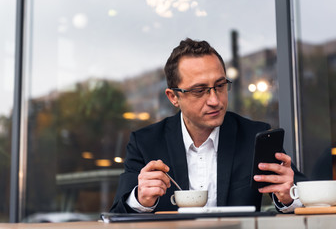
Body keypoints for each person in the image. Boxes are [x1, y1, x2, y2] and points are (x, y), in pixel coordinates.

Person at [110, 38, 306, 213]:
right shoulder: (145, 143)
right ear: (173, 97)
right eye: (199, 90)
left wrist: (289, 197)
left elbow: (303, 196)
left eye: (220, 86)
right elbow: (117, 213)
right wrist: (140, 200)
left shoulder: (255, 136)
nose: (215, 100)